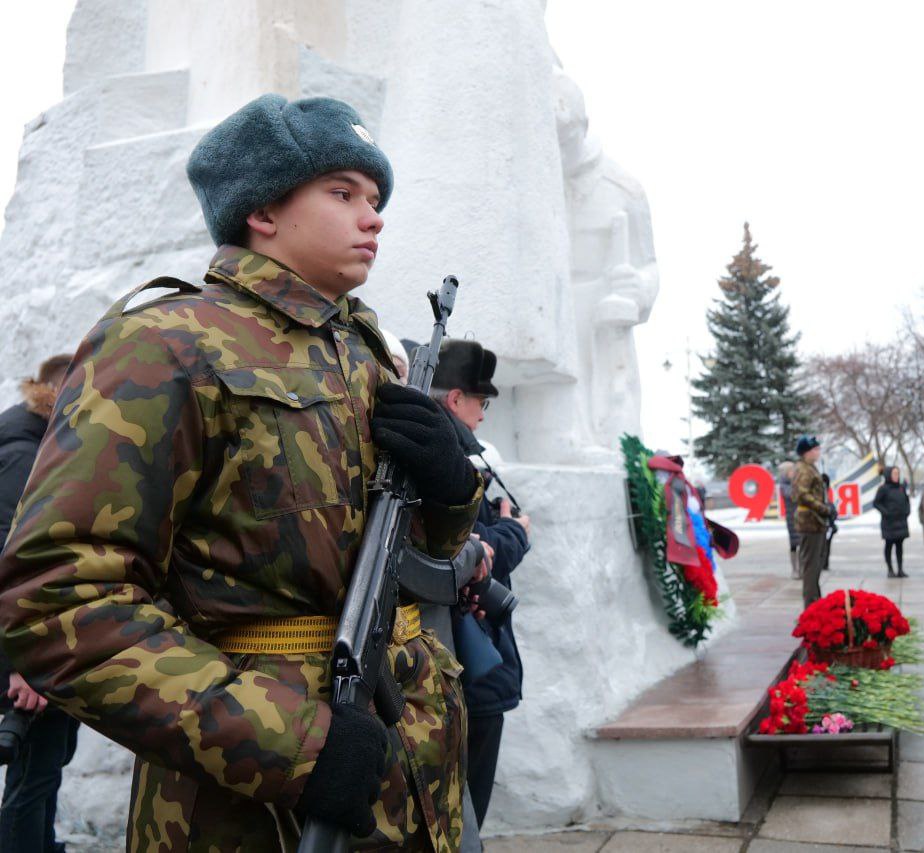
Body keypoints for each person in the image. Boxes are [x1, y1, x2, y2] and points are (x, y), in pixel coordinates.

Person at [0, 95, 484, 852]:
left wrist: (452, 492)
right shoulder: (164, 343)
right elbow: (59, 598)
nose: (374, 217)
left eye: (378, 199)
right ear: (262, 209)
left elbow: (401, 554)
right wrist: (294, 744)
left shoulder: (363, 352)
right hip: (246, 806)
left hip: (410, 782)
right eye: (344, 192)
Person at [430, 339, 531, 831]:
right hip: (469, 658)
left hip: (467, 653)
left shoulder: (457, 450)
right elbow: (471, 551)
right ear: (455, 400)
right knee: (466, 808)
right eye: (480, 402)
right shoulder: (449, 456)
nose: (484, 415)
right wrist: (515, 532)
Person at [0, 354, 78, 853]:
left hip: (45, 641)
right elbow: (12, 563)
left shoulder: (34, 441)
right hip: (30, 650)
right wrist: (24, 663)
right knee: (33, 774)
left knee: (44, 768)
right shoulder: (24, 454)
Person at [791, 436, 832, 607]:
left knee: (816, 565)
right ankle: (811, 607)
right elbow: (801, 494)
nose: (818, 452)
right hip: (810, 522)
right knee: (810, 567)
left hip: (816, 523)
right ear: (806, 452)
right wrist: (824, 509)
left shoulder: (810, 468)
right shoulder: (804, 469)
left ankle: (816, 602)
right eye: (815, 449)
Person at [872, 466, 911, 578]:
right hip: (889, 523)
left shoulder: (901, 488)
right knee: (889, 546)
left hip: (901, 522)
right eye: (894, 473)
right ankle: (890, 569)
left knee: (900, 547)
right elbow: (876, 503)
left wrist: (907, 511)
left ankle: (900, 570)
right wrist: (886, 512)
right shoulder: (883, 488)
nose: (896, 476)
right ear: (889, 475)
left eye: (897, 473)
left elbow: (907, 500)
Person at [778, 461, 801, 579]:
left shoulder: (795, 482)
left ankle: (802, 569)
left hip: (801, 517)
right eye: (792, 470)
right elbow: (792, 495)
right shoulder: (784, 485)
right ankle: (795, 570)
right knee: (794, 544)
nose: (794, 472)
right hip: (792, 518)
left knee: (802, 543)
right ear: (787, 472)